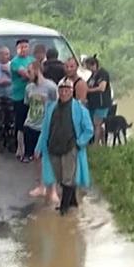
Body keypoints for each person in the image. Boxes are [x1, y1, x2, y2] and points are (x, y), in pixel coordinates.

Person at [36, 78, 93, 214]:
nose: (64, 93)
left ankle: (64, 209)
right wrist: (39, 147)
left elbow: (89, 129)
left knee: (68, 178)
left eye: (67, 90)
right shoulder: (51, 108)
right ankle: (73, 202)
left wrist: (79, 143)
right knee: (60, 178)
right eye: (61, 90)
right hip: (53, 147)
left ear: (72, 91)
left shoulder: (80, 109)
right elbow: (45, 129)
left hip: (70, 148)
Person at [21, 61, 56, 166]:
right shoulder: (29, 87)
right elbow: (27, 103)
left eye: (29, 72)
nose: (27, 75)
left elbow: (56, 105)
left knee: (42, 157)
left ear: (37, 71)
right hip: (30, 124)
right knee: (31, 157)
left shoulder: (51, 87)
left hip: (43, 126)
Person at [9, 40, 34, 157]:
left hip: (32, 96)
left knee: (31, 122)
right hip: (19, 96)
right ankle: (20, 148)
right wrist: (31, 75)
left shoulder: (31, 60)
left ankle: (30, 147)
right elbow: (25, 74)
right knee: (21, 123)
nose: (24, 49)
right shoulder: (15, 62)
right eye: (21, 47)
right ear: (17, 49)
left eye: (26, 47)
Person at [85, 56, 113, 144]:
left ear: (94, 65)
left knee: (97, 123)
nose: (88, 69)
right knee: (96, 124)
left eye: (88, 67)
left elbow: (102, 88)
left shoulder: (103, 74)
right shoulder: (93, 75)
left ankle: (96, 144)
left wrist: (88, 90)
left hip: (102, 103)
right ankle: (103, 142)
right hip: (93, 103)